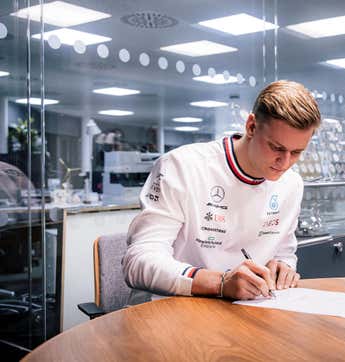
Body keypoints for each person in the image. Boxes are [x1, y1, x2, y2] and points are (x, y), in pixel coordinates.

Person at [123, 80, 321, 300]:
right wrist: (221, 283)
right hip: (173, 308)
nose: (284, 162)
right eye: (276, 148)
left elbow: (285, 252)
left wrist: (283, 267)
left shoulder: (291, 184)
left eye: (296, 152)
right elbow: (138, 261)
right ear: (252, 127)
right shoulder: (182, 166)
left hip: (246, 311)